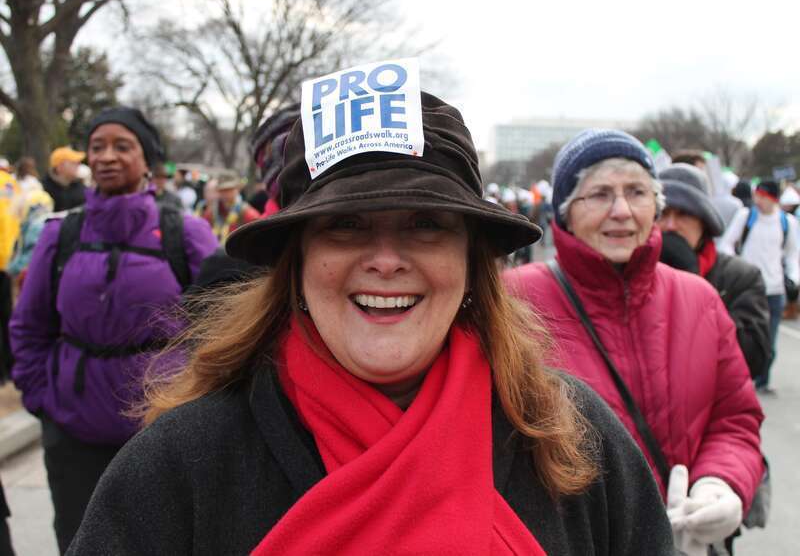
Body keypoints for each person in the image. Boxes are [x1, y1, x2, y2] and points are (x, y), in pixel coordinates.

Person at [68, 90, 672, 555]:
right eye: (346, 225)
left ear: (470, 262)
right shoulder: (180, 466)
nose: (386, 260)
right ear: (298, 261)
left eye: (425, 224)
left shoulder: (574, 439)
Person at [505, 129, 764, 555]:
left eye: (637, 192)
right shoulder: (513, 302)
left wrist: (720, 481)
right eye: (600, 194)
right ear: (565, 212)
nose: (622, 211)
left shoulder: (699, 298)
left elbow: (734, 419)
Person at [9, 106, 218, 554]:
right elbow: (29, 325)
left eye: (122, 146)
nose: (106, 156)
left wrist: (196, 401)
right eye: (97, 146)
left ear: (147, 159)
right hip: (72, 433)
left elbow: (222, 325)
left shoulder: (186, 233)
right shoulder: (60, 235)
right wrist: (43, 400)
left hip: (161, 430)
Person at [656, 163, 770, 380]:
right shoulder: (630, 276)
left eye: (684, 214)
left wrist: (692, 285)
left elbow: (753, 360)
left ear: (704, 222)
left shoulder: (740, 276)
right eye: (662, 214)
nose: (670, 225)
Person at [718, 179, 800, 394]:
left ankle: (763, 381)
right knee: (740, 338)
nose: (758, 201)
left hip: (774, 290)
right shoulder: (746, 216)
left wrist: (793, 278)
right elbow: (726, 244)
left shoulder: (787, 222)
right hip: (747, 288)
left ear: (773, 199)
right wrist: (737, 266)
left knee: (768, 342)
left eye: (763, 197)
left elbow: (793, 255)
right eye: (757, 195)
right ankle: (740, 381)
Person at [199, 172, 260, 243]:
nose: (226, 193)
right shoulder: (211, 211)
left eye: (230, 189)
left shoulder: (247, 212)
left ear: (237, 189)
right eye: (223, 190)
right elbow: (203, 232)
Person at [42, 147, 86, 212]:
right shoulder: (43, 190)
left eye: (78, 162)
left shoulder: (82, 188)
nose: (78, 165)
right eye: (73, 162)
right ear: (59, 167)